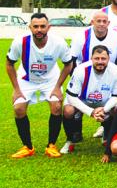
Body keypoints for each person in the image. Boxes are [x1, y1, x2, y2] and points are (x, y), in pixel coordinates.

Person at [6, 13, 74, 159]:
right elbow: (9, 64)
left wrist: (57, 87)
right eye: (35, 26)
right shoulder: (21, 42)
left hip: (51, 79)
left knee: (56, 106)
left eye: (42, 26)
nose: (39, 29)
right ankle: (28, 147)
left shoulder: (58, 42)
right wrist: (17, 90)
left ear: (48, 27)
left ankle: (51, 145)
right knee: (19, 108)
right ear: (29, 27)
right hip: (26, 79)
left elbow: (68, 64)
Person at [62, 45, 117, 154]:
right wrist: (90, 112)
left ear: (108, 59)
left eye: (103, 59)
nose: (100, 62)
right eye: (97, 58)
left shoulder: (116, 71)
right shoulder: (80, 70)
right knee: (68, 110)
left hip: (104, 102)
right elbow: (71, 97)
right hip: (82, 100)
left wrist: (104, 109)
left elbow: (116, 96)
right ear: (91, 58)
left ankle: (108, 135)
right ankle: (70, 140)